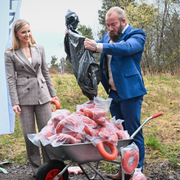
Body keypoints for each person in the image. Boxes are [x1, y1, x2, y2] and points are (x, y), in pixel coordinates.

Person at [84, 6, 147, 179]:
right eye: (107, 25)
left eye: (113, 24)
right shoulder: (107, 36)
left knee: (133, 132)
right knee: (120, 133)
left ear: (123, 21)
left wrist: (99, 47)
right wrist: (76, 38)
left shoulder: (137, 35)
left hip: (130, 93)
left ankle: (137, 170)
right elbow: (95, 45)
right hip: (114, 93)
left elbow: (126, 48)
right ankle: (125, 169)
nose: (110, 28)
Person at [4, 19, 59, 177]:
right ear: (16, 34)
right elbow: (10, 79)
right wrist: (14, 102)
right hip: (24, 98)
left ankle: (51, 167)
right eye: (23, 32)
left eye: (29, 31)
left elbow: (46, 73)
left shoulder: (39, 48)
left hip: (43, 96)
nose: (27, 34)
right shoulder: (10, 54)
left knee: (47, 134)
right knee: (30, 136)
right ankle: (37, 170)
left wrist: (53, 95)